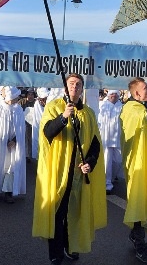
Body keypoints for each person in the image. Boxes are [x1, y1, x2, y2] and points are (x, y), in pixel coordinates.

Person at [33, 73, 106, 264]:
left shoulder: (88, 113)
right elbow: (47, 133)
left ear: (82, 89)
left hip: (78, 175)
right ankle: (56, 253)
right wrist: (63, 117)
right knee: (57, 213)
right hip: (58, 172)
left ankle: (70, 245)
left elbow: (95, 143)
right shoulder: (54, 107)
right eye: (71, 83)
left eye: (78, 84)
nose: (75, 87)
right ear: (65, 87)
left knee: (74, 213)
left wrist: (89, 162)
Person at [120, 78, 147, 264]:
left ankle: (135, 235)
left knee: (143, 200)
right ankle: (140, 245)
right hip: (136, 164)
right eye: (145, 89)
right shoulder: (131, 109)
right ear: (136, 93)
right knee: (137, 202)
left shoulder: (143, 106)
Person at [98, 89, 123, 193]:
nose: (113, 96)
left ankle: (112, 178)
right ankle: (107, 184)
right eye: (111, 94)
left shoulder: (122, 107)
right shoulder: (101, 106)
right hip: (106, 139)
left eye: (115, 94)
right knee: (107, 162)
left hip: (118, 140)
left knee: (118, 161)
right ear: (108, 95)